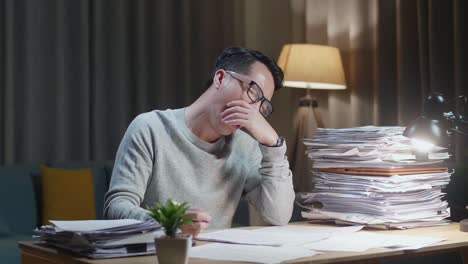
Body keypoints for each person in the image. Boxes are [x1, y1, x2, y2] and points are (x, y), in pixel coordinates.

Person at [104, 47, 295, 237]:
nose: (255, 111)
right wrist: (170, 222)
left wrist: (273, 145)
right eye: (254, 93)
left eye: (263, 106)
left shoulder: (246, 147)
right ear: (220, 78)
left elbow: (278, 217)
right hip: (159, 253)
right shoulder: (150, 128)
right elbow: (116, 207)